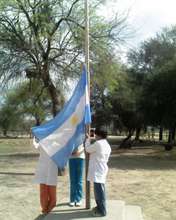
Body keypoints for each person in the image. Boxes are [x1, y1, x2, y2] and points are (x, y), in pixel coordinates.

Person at [85, 127, 111, 217]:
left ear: (99, 135)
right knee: (99, 191)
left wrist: (87, 139)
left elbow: (88, 149)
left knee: (99, 192)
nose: (94, 136)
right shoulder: (106, 144)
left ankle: (102, 211)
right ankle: (99, 207)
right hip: (101, 169)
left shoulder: (98, 143)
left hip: (98, 170)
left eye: (95, 134)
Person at [33, 144, 58, 214]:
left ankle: (51, 208)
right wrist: (36, 137)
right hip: (42, 166)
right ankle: (44, 208)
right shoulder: (41, 139)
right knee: (43, 190)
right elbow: (35, 146)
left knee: (52, 189)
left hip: (52, 166)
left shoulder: (57, 140)